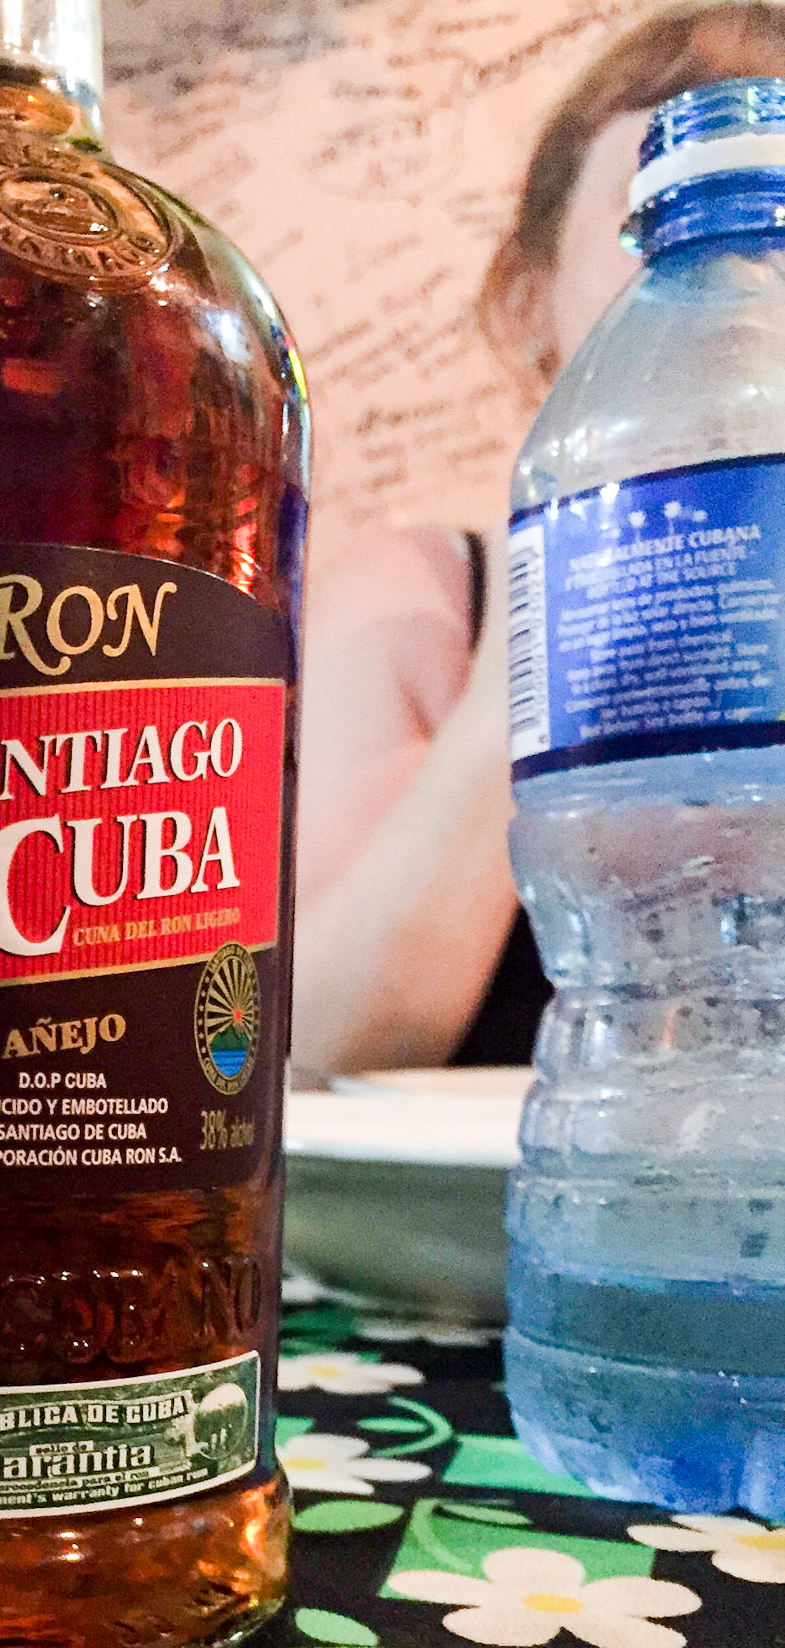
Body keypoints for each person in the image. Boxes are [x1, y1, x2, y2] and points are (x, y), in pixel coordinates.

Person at [292, 1, 785, 1078]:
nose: (745, 270)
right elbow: (316, 1042)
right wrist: (541, 639)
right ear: (526, 302)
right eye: (654, 213)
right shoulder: (419, 598)